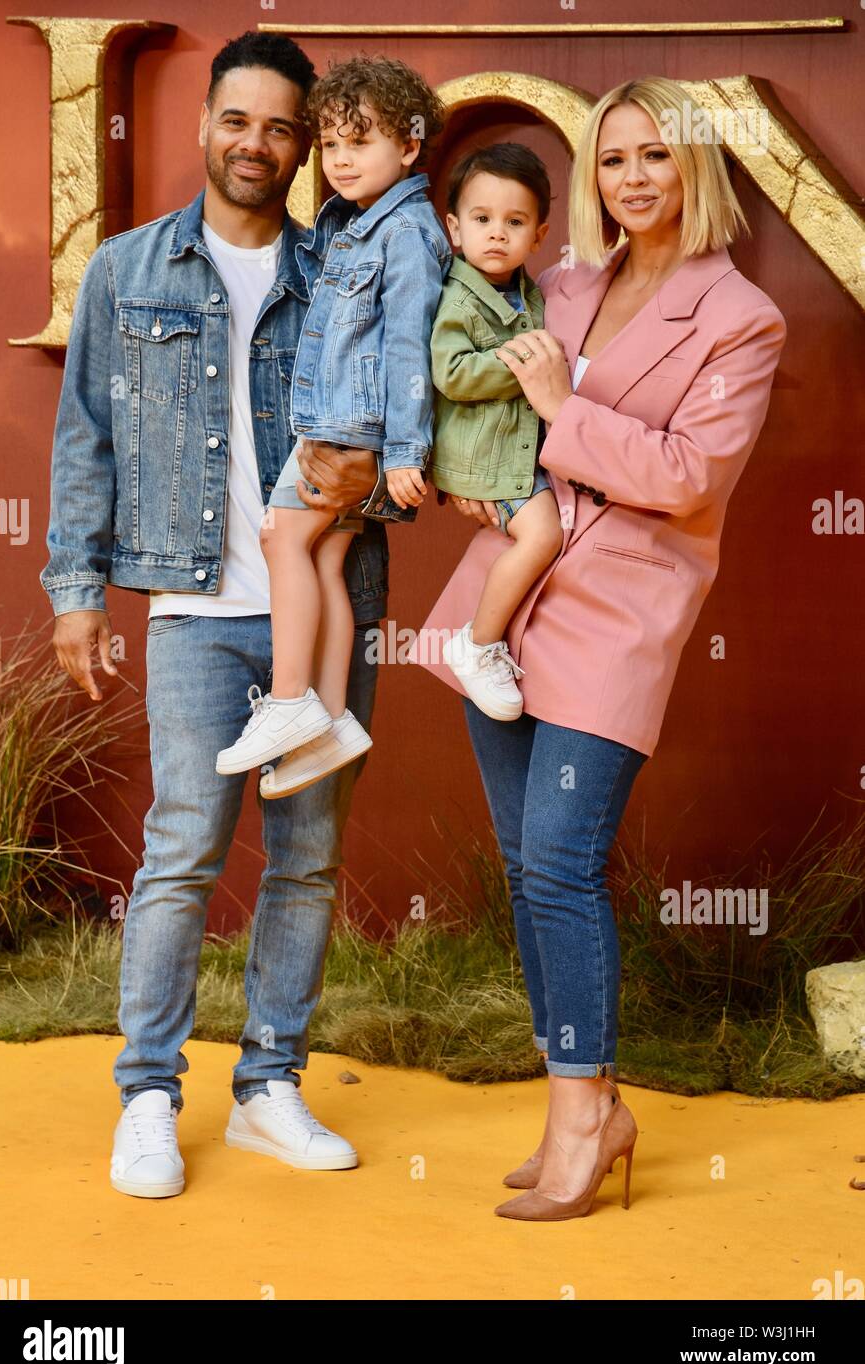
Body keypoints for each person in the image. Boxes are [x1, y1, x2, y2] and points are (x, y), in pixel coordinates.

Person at [408, 76, 787, 1221]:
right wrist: (473, 484)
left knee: (564, 865)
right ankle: (582, 1098)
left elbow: (685, 478)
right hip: (503, 611)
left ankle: (583, 1120)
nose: (631, 177)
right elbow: (486, 409)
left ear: (697, 168)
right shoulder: (558, 280)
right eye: (611, 157)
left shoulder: (741, 320)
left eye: (654, 155)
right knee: (527, 869)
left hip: (616, 618)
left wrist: (566, 406)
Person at [42, 32, 400, 1198]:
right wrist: (76, 590)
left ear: (307, 143)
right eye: (237, 120)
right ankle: (148, 1092)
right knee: (183, 849)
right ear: (204, 124)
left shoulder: (345, 269)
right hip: (197, 607)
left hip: (330, 604)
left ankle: (269, 1089)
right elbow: (85, 434)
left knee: (306, 857)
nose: (257, 143)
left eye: (282, 127)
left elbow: (401, 406)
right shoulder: (127, 268)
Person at [215, 57, 451, 796]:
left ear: (409, 148)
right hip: (345, 423)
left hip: (349, 429)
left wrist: (406, 450)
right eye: (333, 145)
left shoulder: (405, 233)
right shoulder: (349, 224)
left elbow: (414, 345)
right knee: (322, 561)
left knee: (280, 537)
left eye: (363, 142)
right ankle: (333, 718)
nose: (343, 160)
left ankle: (290, 701)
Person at [429, 144, 563, 721]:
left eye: (515, 222)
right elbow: (451, 372)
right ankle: (478, 643)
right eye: (482, 220)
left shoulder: (526, 290)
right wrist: (524, 367)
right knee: (542, 536)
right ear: (455, 228)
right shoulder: (459, 296)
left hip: (516, 448)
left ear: (539, 234)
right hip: (488, 460)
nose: (497, 235)